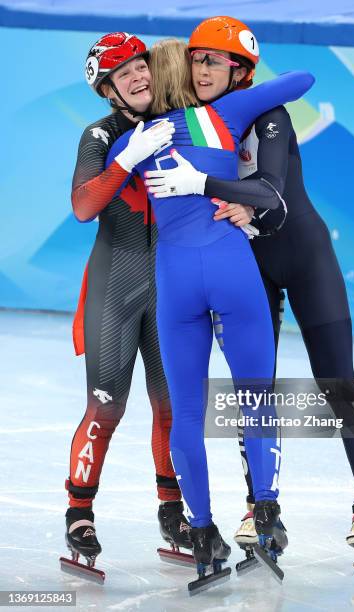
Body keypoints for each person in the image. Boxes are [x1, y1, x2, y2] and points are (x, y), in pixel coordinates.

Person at [145, 16, 354, 573]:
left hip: (303, 256)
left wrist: (212, 188)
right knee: (252, 390)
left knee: (337, 382)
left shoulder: (266, 115)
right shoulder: (194, 121)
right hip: (248, 267)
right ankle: (262, 507)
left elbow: (272, 196)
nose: (202, 68)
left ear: (240, 70)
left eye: (214, 60)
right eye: (196, 59)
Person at [106, 35, 314, 588]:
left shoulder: (134, 140)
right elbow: (301, 82)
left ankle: (202, 535)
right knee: (255, 398)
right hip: (230, 267)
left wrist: (130, 151)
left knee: (188, 414)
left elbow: (98, 201)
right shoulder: (222, 115)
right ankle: (265, 513)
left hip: (174, 281)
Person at [62, 32, 191, 580]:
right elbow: (83, 206)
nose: (139, 76)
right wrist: (128, 158)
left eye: (141, 66)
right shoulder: (100, 134)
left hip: (167, 288)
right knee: (107, 406)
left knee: (169, 407)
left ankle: (172, 512)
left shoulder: (179, 120)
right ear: (109, 90)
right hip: (116, 288)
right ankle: (79, 514)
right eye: (125, 74)